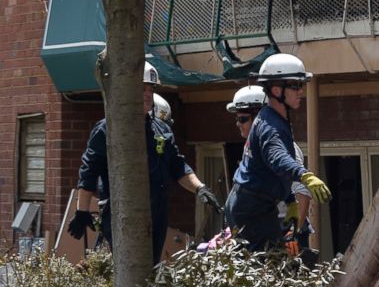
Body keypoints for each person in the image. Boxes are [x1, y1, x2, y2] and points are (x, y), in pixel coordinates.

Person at [68, 61, 223, 266]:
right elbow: (88, 173)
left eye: (151, 89)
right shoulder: (108, 129)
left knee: (148, 271)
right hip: (122, 213)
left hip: (157, 212)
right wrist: (82, 211)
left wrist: (200, 189)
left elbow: (178, 166)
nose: (148, 94)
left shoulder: (161, 130)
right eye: (142, 88)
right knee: (132, 270)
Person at [224, 53, 330, 251]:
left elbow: (273, 172)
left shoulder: (272, 119)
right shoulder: (271, 126)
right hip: (253, 209)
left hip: (252, 205)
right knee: (269, 266)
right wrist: (305, 175)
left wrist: (290, 200)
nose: (301, 91)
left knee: (271, 263)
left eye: (301, 85)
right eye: (295, 86)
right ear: (275, 90)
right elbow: (278, 158)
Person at [227, 85, 315, 249]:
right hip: (262, 222)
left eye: (243, 119)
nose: (238, 124)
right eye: (237, 119)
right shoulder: (253, 146)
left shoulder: (281, 147)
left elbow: (302, 193)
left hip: (283, 226)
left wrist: (291, 236)